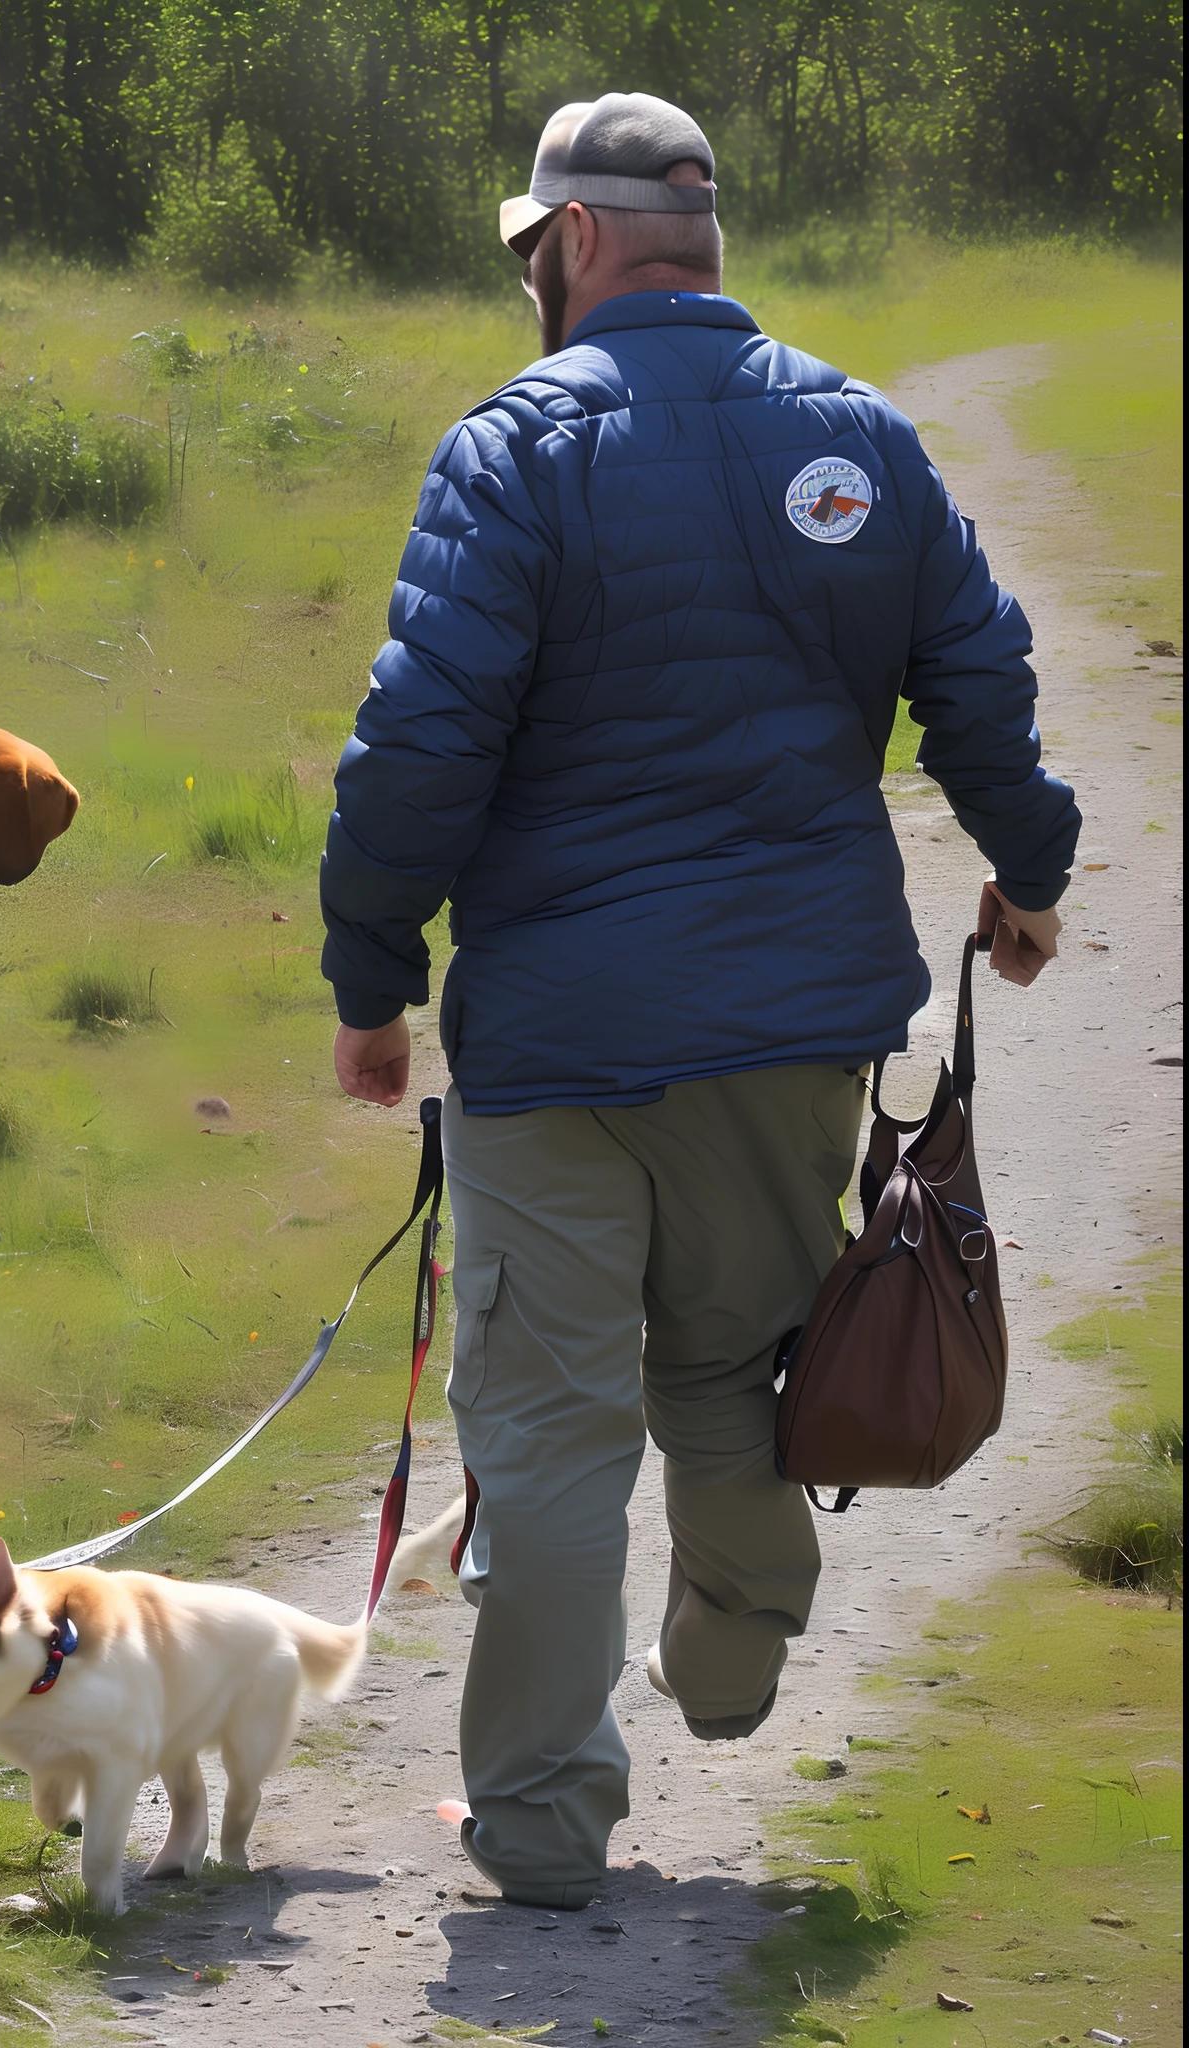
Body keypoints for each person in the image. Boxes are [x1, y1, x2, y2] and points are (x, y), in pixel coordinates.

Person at [317, 92, 1081, 1910]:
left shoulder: (513, 450)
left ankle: (542, 1830)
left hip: (555, 1045)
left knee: (551, 1426)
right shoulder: (860, 440)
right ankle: (727, 1676)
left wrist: (372, 982)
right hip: (787, 1027)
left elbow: (418, 742)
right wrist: (1028, 874)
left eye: (529, 252)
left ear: (573, 244)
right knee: (736, 1367)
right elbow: (981, 675)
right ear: (698, 240)